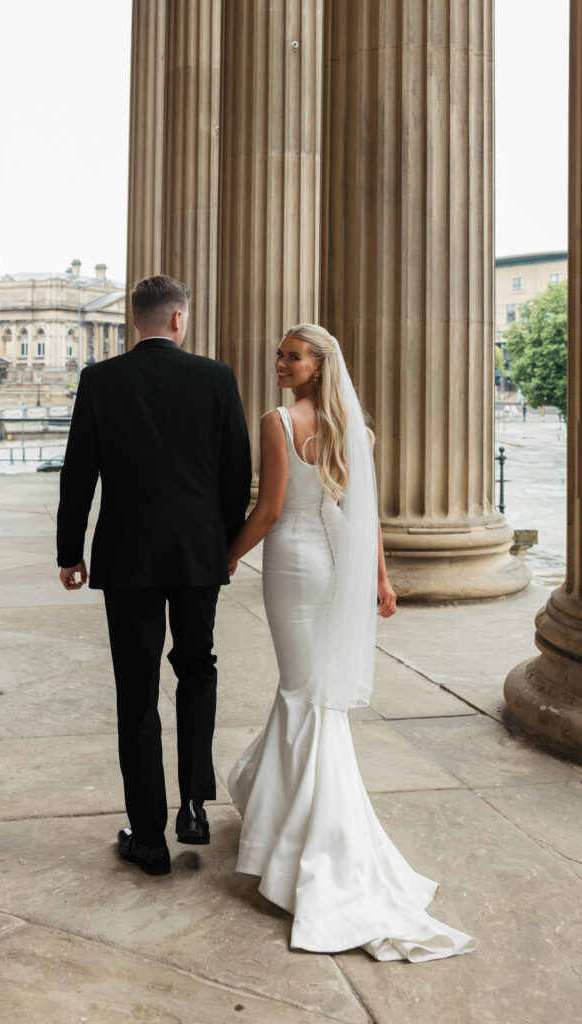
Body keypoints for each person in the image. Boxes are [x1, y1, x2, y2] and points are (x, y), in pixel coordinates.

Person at [226, 323, 476, 961]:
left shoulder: (278, 422)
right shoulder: (353, 433)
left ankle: (306, 837)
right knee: (312, 694)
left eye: (293, 355)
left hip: (293, 564)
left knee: (299, 691)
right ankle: (288, 817)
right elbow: (358, 516)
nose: (280, 361)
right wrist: (380, 579)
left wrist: (224, 558)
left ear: (318, 365)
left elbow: (271, 510)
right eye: (279, 352)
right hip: (335, 565)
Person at [57, 274, 251, 877]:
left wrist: (70, 552)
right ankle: (193, 804)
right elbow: (234, 474)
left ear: (134, 321)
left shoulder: (99, 380)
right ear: (178, 320)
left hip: (128, 555)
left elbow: (78, 474)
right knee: (197, 668)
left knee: (136, 691)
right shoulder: (217, 378)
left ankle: (147, 837)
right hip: (198, 553)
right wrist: (225, 546)